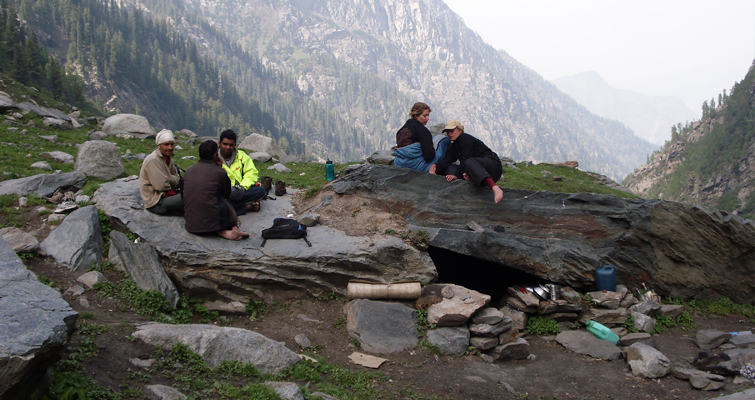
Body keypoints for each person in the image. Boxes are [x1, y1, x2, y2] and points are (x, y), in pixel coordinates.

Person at [182, 140, 250, 240]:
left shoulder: (189, 170)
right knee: (225, 203)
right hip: (214, 221)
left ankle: (221, 232)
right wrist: (220, 168)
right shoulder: (220, 172)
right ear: (215, 155)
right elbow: (226, 194)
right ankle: (234, 228)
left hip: (191, 225)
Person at [429, 120, 505, 203]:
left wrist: (456, 175)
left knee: (469, 162)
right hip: (475, 169)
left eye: (452, 131)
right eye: (447, 132)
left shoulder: (464, 138)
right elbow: (448, 159)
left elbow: (466, 158)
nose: (449, 134)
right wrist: (435, 165)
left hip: (493, 165)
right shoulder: (455, 145)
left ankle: (495, 188)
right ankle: (470, 180)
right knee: (450, 168)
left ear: (460, 130)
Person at [217, 129, 267, 215]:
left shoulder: (241, 155)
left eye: (231, 145)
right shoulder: (214, 157)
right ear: (219, 143)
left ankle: (227, 207)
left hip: (240, 191)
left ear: (235, 145)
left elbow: (251, 172)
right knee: (216, 200)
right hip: (223, 193)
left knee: (261, 191)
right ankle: (245, 207)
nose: (228, 147)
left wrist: (242, 188)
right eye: (225, 144)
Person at [394, 102, 450, 172]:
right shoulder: (422, 130)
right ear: (416, 115)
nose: (427, 118)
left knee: (433, 138)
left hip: (399, 163)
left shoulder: (400, 131)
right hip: (416, 166)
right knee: (444, 140)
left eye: (428, 115)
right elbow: (429, 156)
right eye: (424, 116)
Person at [139, 129, 183, 215]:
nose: (170, 148)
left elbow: (176, 179)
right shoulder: (153, 160)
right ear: (159, 146)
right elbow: (161, 185)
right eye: (166, 144)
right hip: (156, 202)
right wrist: (171, 178)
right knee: (191, 197)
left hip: (165, 196)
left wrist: (168, 178)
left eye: (172, 144)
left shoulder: (167, 158)